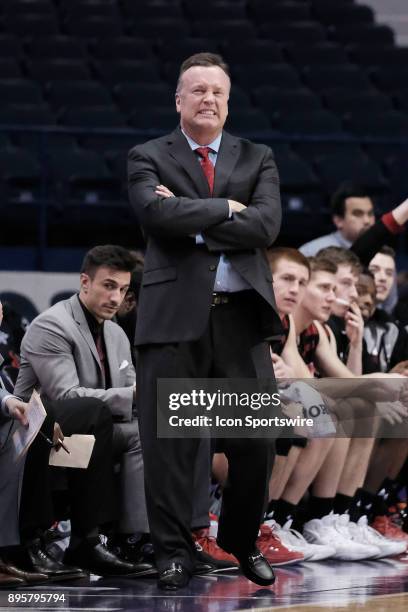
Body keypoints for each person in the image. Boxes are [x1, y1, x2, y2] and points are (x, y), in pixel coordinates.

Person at [128, 52, 282, 590]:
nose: (208, 99)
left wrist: (192, 213)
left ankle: (240, 538)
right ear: (179, 100)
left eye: (217, 91)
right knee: (169, 446)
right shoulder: (147, 155)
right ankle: (171, 551)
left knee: (256, 444)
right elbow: (155, 215)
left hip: (239, 321)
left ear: (228, 100)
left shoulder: (257, 156)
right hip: (173, 322)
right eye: (197, 90)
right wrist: (228, 210)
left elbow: (265, 227)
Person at [14, 245, 154, 575]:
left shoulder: (116, 332)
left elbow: (131, 394)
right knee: (91, 410)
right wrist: (134, 395)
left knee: (148, 431)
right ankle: (86, 541)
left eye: (122, 289)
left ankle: (132, 540)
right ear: (84, 282)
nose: (116, 298)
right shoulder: (52, 325)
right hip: (34, 433)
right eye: (108, 286)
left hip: (87, 431)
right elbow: (66, 396)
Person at [299, 182, 375, 257]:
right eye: (358, 214)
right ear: (338, 221)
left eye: (370, 214)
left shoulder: (382, 249)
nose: (367, 221)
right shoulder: (312, 252)